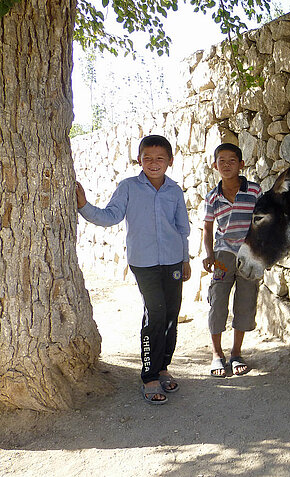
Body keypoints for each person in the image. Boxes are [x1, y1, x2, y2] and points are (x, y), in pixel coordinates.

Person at [76, 135, 191, 405]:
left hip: (173, 260)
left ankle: (163, 368)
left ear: (170, 161)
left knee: (172, 315)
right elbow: (110, 216)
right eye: (147, 158)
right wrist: (83, 206)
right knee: (155, 315)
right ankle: (149, 376)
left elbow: (182, 228)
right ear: (139, 160)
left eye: (160, 158)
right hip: (145, 262)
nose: (153, 163)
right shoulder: (128, 187)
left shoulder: (174, 190)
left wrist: (185, 259)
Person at [203, 143, 262, 377]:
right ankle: (217, 354)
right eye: (221, 161)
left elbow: (262, 221)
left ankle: (236, 352)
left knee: (246, 302)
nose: (226, 165)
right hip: (222, 256)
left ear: (241, 164)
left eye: (232, 161)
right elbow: (207, 228)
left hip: (250, 255)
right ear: (215, 165)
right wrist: (209, 254)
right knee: (218, 300)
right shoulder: (212, 196)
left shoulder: (254, 191)